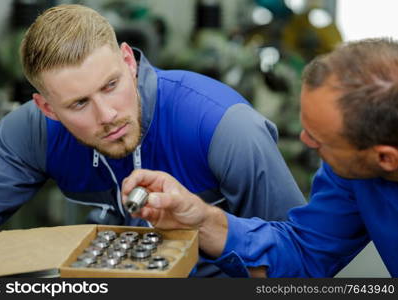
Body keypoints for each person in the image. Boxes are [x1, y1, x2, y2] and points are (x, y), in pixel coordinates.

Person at [0, 4, 305, 277]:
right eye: (79, 103)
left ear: (128, 61)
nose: (107, 115)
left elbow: (301, 258)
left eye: (110, 85)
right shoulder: (33, 131)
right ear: (47, 108)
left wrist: (209, 225)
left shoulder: (226, 127)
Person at [121, 38, 398, 277]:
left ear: (386, 159)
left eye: (318, 139)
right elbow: (305, 256)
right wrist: (202, 221)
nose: (304, 140)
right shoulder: (351, 171)